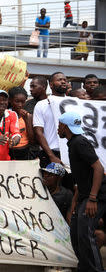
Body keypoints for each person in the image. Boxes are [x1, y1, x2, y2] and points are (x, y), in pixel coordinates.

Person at [57, 111, 106, 272]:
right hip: (85, 195)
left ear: (65, 127)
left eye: (59, 125)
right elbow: (82, 178)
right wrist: (75, 202)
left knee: (86, 234)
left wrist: (92, 199)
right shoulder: (72, 143)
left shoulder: (80, 142)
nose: (58, 128)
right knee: (77, 235)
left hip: (97, 195)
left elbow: (98, 168)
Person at [33, 72, 67, 168]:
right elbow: (38, 132)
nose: (63, 82)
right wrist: (51, 156)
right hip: (50, 154)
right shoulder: (42, 105)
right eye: (60, 80)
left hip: (69, 153)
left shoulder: (73, 103)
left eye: (65, 80)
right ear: (51, 85)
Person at [8, 87, 34, 160]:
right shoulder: (6, 116)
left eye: (23, 102)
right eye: (17, 101)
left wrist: (27, 120)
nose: (20, 105)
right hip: (8, 152)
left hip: (24, 152)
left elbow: (32, 140)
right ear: (10, 100)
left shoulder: (28, 116)